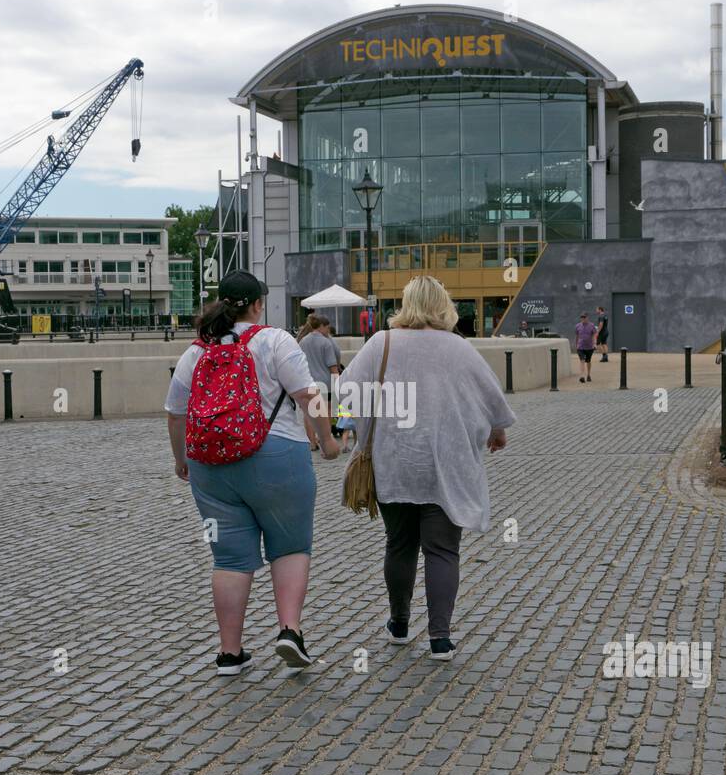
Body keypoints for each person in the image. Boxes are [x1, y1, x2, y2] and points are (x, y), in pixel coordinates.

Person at [165, 271, 339, 676]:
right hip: (277, 454)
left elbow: (175, 413)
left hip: (211, 466)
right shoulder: (275, 340)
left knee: (228, 558)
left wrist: (181, 460)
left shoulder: (197, 351)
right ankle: (289, 631)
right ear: (259, 304)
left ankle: (230, 652)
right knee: (291, 545)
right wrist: (327, 442)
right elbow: (308, 395)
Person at [339, 276, 515, 661]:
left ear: (406, 303)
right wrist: (496, 432)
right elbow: (491, 398)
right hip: (443, 465)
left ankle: (399, 624)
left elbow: (346, 394)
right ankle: (440, 638)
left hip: (393, 462)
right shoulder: (458, 348)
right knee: (442, 550)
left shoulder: (380, 343)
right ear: (443, 305)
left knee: (399, 544)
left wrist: (361, 425)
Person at [296, 315, 342, 450]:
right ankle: (325, 440)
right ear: (322, 326)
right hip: (325, 383)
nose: (328, 330)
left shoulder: (303, 341)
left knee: (308, 412)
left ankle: (311, 442)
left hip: (308, 381)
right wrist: (338, 383)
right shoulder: (326, 342)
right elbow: (333, 367)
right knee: (326, 411)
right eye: (327, 327)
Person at [574, 313, 598, 383]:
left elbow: (594, 334)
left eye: (584, 317)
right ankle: (582, 376)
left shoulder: (592, 325)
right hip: (580, 346)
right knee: (582, 360)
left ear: (587, 318)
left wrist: (594, 343)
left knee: (588, 361)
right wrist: (576, 345)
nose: (583, 319)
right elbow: (577, 336)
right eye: (582, 317)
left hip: (589, 347)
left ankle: (588, 375)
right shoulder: (577, 326)